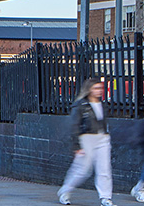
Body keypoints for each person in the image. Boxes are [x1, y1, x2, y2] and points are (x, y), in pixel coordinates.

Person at [58, 78, 113, 206]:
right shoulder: (81, 105)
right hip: (86, 138)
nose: (99, 91)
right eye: (96, 88)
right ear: (89, 89)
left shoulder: (103, 104)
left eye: (100, 88)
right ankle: (65, 191)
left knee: (104, 169)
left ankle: (105, 197)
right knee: (82, 169)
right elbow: (74, 125)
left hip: (103, 138)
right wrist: (77, 145)